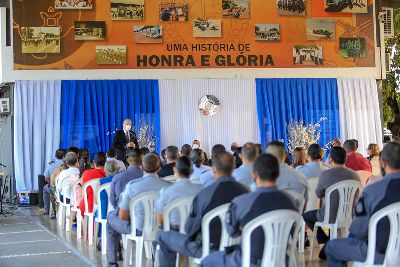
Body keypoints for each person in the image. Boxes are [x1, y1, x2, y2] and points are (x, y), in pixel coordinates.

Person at [202, 154, 298, 266]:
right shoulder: (291, 201)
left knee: (207, 261)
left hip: (247, 260)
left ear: (254, 174)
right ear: (278, 174)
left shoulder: (242, 202)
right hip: (281, 261)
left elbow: (232, 233)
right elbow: (292, 230)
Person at [156, 151, 249, 267]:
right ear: (234, 167)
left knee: (162, 236)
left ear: (213, 170)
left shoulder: (205, 194)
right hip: (239, 247)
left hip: (207, 247)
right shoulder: (246, 192)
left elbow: (190, 229)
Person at [325, 142, 400, 266]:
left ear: (383, 163)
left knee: (332, 247)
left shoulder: (373, 191)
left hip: (379, 253)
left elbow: (359, 229)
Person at [106, 153, 170, 266]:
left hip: (137, 228)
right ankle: (157, 260)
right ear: (159, 168)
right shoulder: (168, 186)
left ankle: (113, 262)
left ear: (142, 167)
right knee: (157, 224)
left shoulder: (132, 186)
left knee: (110, 222)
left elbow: (122, 216)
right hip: (161, 228)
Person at [303, 147, 360, 257]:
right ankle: (329, 240)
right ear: (345, 159)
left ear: (330, 159)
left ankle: (326, 240)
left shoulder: (326, 175)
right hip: (349, 216)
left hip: (330, 216)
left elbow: (319, 194)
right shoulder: (355, 175)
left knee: (306, 216)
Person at [155, 156, 203, 227]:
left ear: (174, 170)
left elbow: (160, 220)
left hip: (174, 233)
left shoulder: (166, 191)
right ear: (192, 171)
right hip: (195, 232)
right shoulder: (201, 190)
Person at [78, 152, 107, 217]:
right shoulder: (109, 174)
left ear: (94, 162)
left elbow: (81, 185)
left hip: (88, 205)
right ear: (105, 162)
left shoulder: (86, 173)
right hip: (105, 206)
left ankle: (85, 226)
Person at [43, 149, 65, 215]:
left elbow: (46, 178)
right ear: (64, 156)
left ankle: (47, 210)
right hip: (66, 190)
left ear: (55, 156)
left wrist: (52, 184)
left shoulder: (51, 165)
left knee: (45, 188)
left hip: (54, 189)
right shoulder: (67, 165)